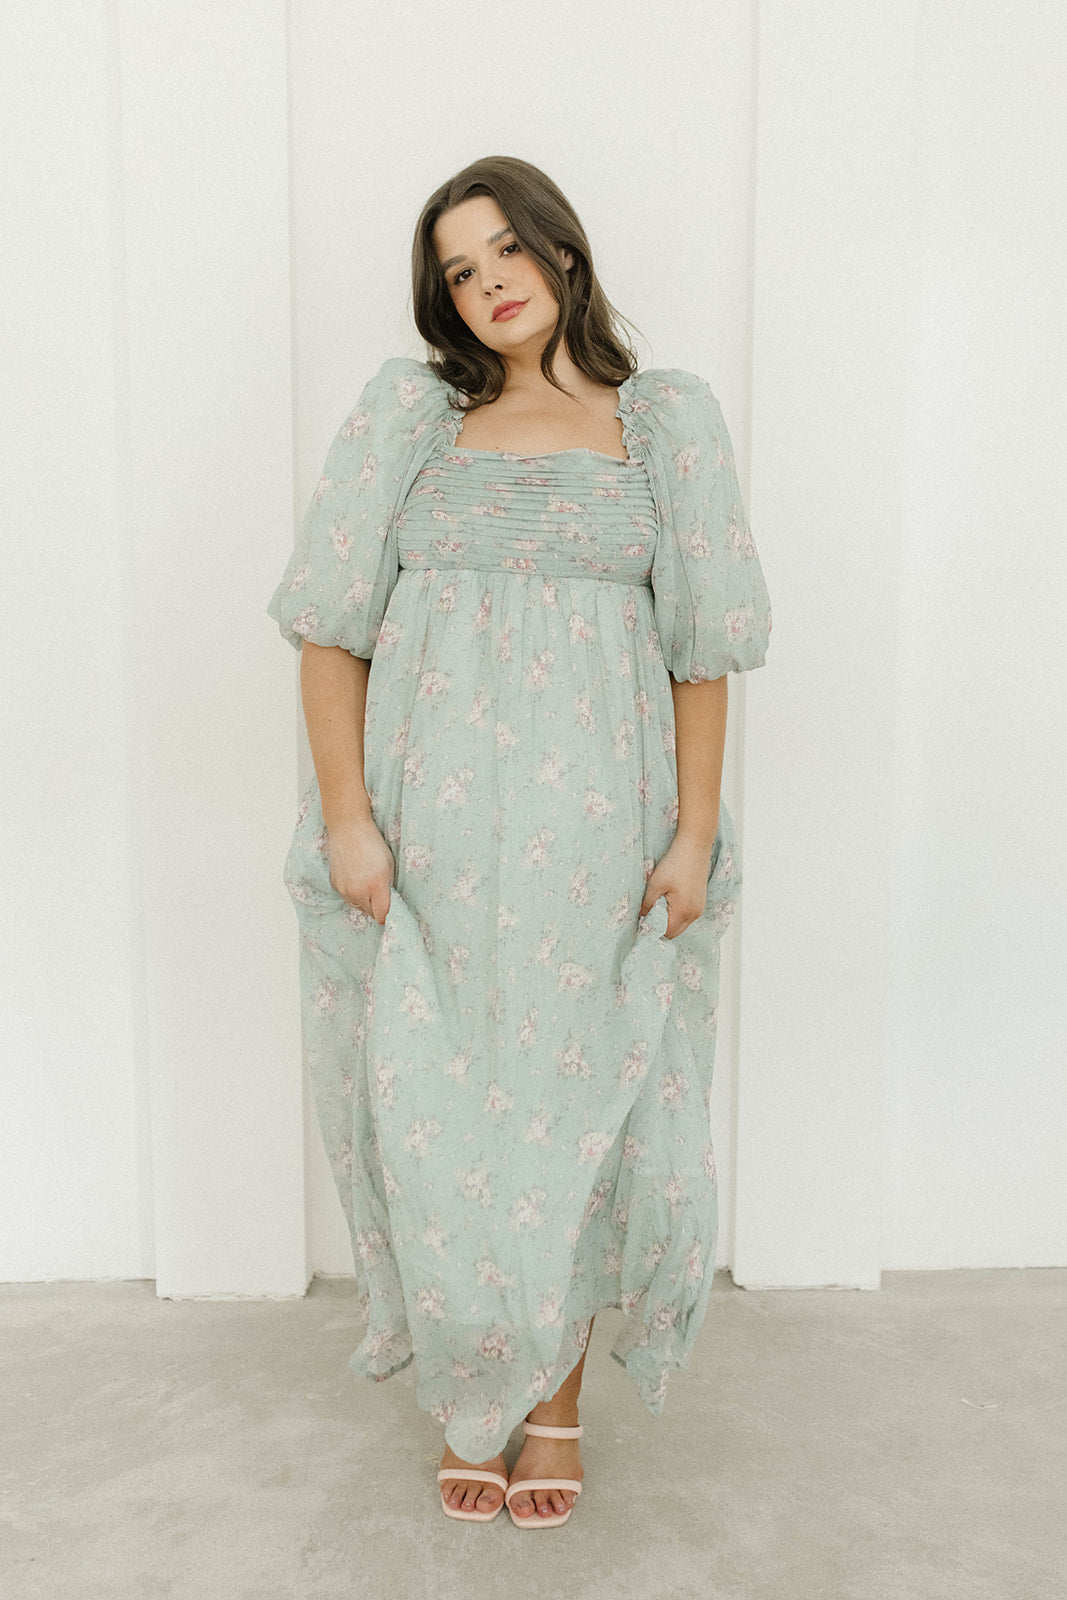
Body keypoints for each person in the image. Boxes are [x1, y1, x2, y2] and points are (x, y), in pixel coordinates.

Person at [267, 155, 772, 1528]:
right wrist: (349, 820)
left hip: (600, 842)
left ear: (561, 250)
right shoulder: (412, 419)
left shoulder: (664, 424)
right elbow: (329, 631)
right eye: (459, 268)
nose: (488, 281)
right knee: (437, 1115)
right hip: (428, 840)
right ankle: (468, 1384)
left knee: (589, 1116)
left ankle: (552, 1403)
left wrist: (695, 836)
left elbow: (702, 654)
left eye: (505, 249)